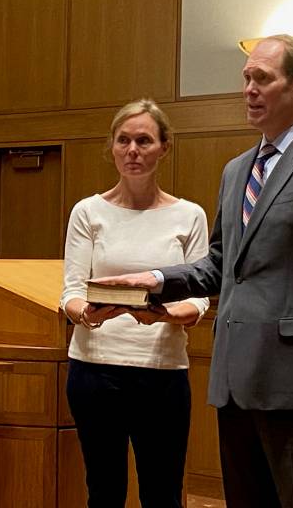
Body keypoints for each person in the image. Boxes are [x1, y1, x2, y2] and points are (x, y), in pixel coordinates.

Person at [95, 35, 293, 507]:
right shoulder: (236, 170)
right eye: (246, 77)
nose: (249, 88)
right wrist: (157, 280)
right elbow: (221, 263)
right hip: (236, 378)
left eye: (262, 78)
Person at [60, 99, 210, 508]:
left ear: (164, 147)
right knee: (103, 491)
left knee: (162, 494)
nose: (132, 151)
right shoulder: (88, 212)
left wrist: (161, 314)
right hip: (94, 371)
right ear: (111, 146)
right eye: (123, 140)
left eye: (144, 140)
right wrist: (87, 316)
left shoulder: (189, 215)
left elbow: (199, 299)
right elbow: (71, 292)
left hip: (161, 373)